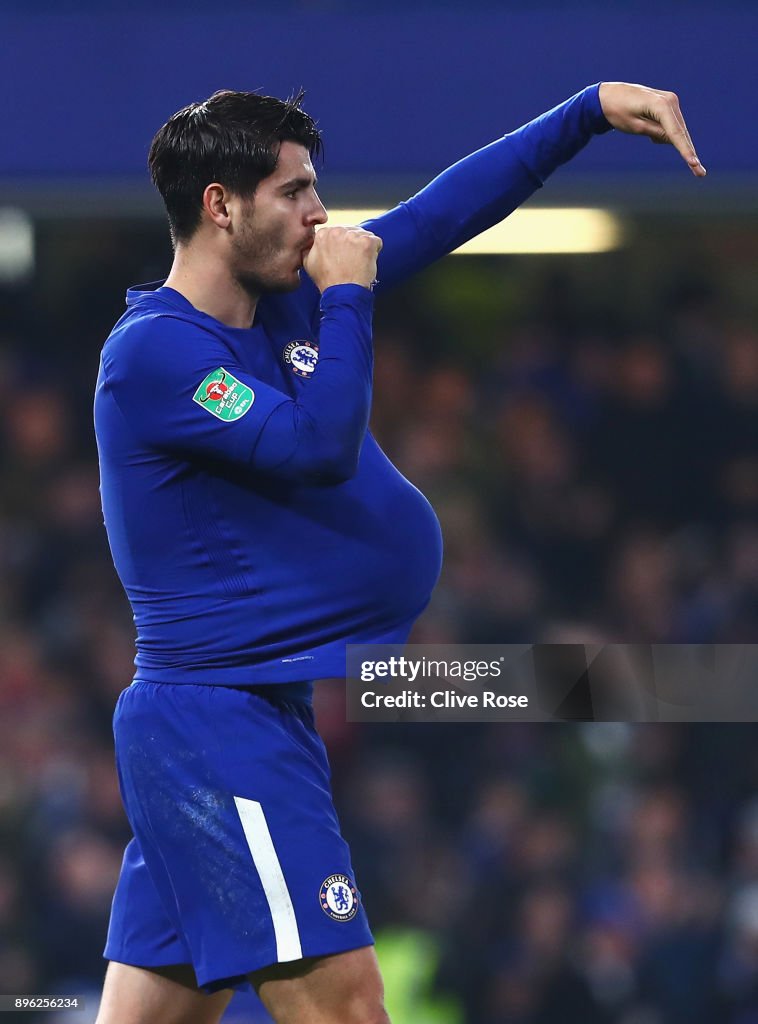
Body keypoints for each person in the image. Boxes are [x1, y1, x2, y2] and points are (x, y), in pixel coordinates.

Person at [93, 81, 704, 1024]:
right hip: (217, 726)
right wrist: (346, 302)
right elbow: (316, 447)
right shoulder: (156, 354)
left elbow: (442, 212)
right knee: (349, 1009)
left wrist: (585, 112)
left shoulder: (284, 300)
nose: (320, 212)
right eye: (295, 191)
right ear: (220, 204)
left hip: (257, 711)